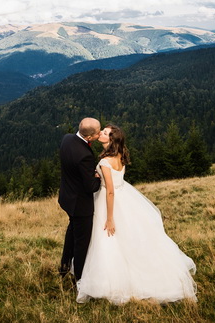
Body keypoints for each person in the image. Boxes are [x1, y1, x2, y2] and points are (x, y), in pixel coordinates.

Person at [75, 124, 197, 304]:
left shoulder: (105, 161)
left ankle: (108, 283)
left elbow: (110, 191)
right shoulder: (118, 156)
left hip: (111, 201)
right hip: (125, 196)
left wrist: (110, 218)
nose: (101, 133)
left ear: (111, 140)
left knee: (107, 238)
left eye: (105, 133)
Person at [58, 117, 103, 281]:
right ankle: (80, 279)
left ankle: (64, 267)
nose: (100, 134)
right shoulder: (84, 155)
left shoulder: (67, 138)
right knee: (81, 243)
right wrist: (98, 177)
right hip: (80, 205)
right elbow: (90, 187)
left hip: (67, 198)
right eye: (98, 133)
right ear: (90, 137)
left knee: (71, 234)